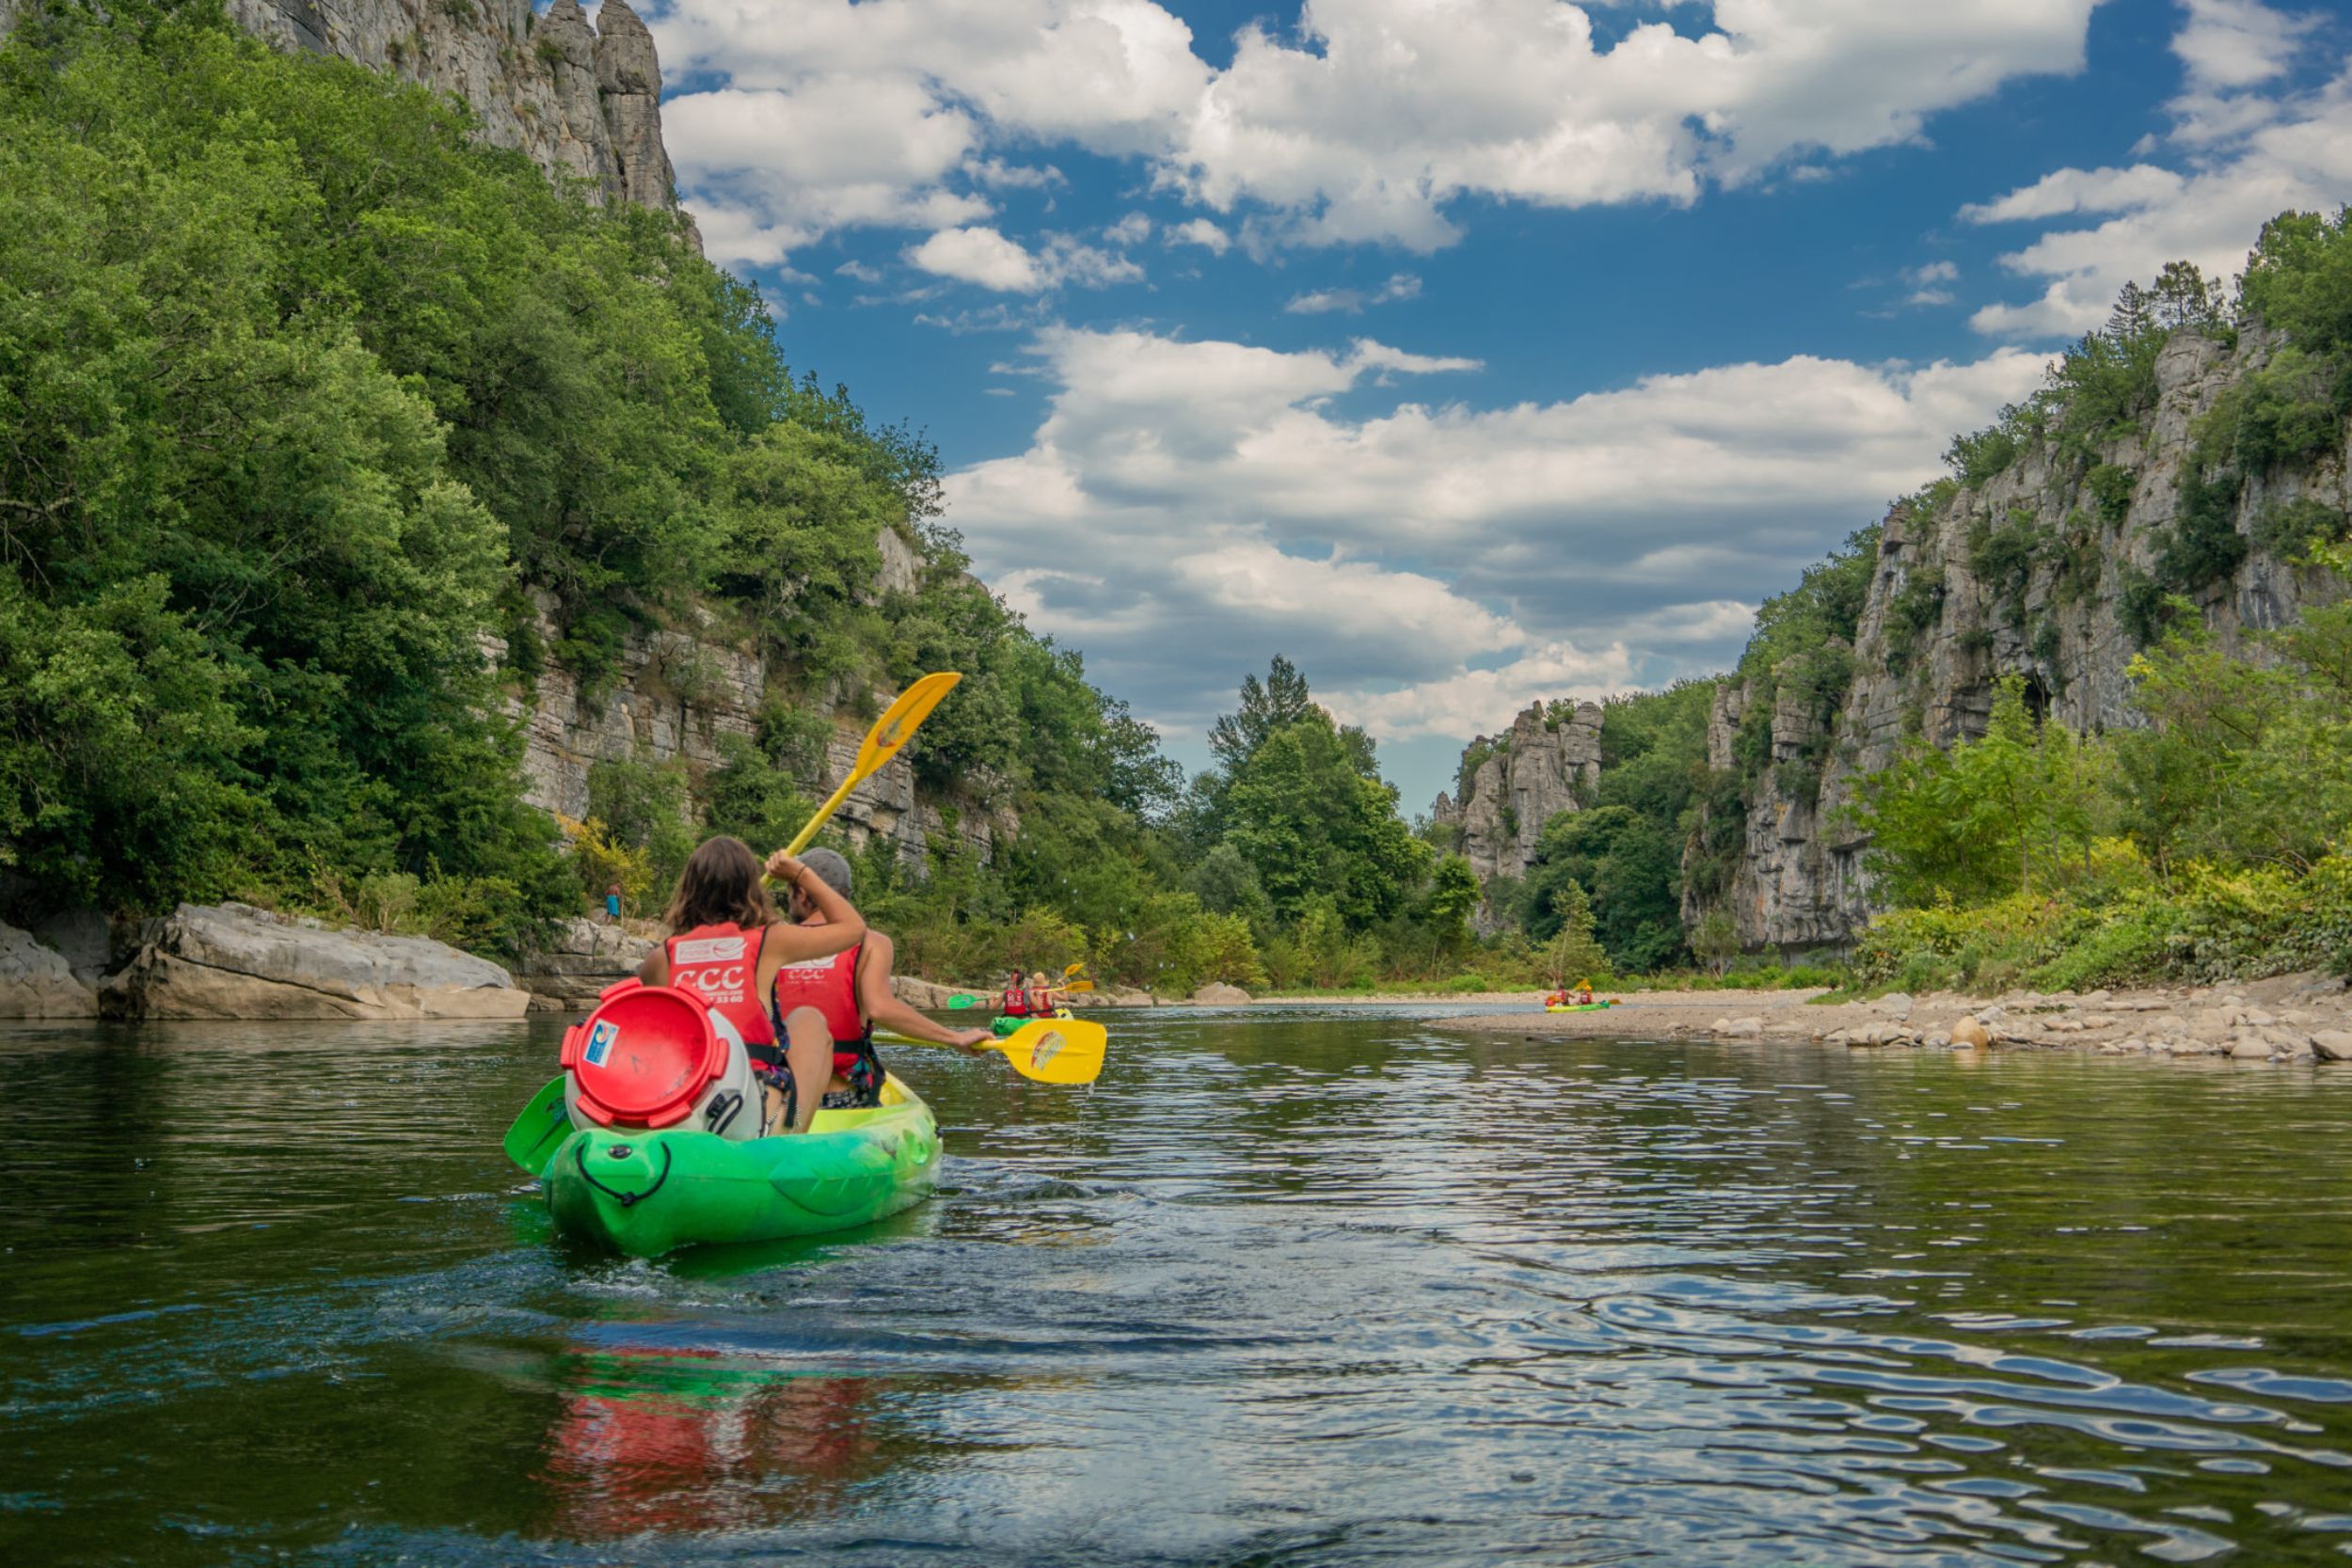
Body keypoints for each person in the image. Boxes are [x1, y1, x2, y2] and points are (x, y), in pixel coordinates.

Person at [636, 837, 866, 1135]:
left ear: (688, 890)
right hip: (751, 1115)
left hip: (684, 1106)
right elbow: (854, 928)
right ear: (751, 889)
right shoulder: (768, 941)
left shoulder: (660, 959)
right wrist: (800, 874)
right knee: (809, 1022)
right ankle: (790, 1137)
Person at [772, 849, 992, 1106]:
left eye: (789, 894)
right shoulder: (872, 943)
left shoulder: (771, 944)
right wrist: (955, 1038)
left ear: (801, 893)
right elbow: (880, 1007)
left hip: (780, 1096)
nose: (790, 904)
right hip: (842, 1096)